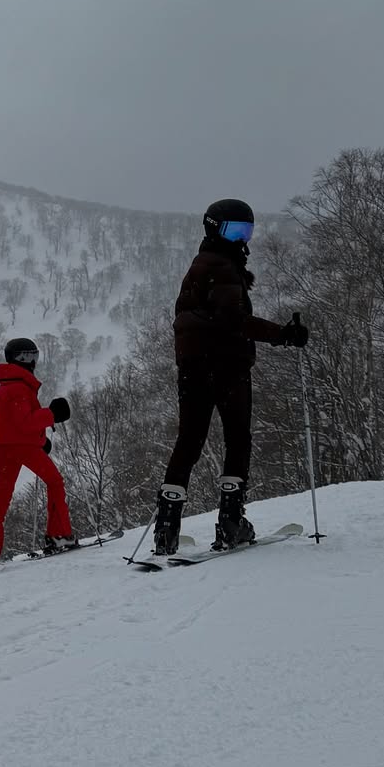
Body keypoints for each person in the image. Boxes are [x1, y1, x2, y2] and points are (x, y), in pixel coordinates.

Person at [152, 199, 309, 555]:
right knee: (238, 438)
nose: (242, 238)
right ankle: (231, 521)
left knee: (189, 440)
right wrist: (283, 334)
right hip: (226, 365)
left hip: (193, 366)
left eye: (247, 231)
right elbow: (233, 320)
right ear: (214, 228)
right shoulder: (222, 268)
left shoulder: (201, 264)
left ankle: (166, 527)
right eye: (235, 230)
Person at [0, 338, 75, 566]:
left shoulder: (7, 386)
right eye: (29, 357)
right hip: (22, 449)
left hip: (8, 449)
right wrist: (51, 414)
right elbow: (26, 422)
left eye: (35, 356)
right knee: (55, 481)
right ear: (19, 359)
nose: (33, 362)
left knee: (1, 497)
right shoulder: (19, 387)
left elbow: (14, 426)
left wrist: (40, 441)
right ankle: (59, 535)